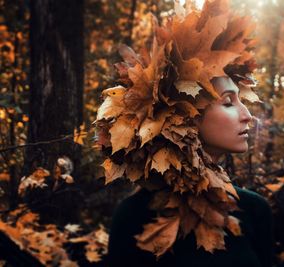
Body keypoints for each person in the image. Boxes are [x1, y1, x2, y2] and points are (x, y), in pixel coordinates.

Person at [95, 1, 274, 266]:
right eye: (227, 102)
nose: (248, 115)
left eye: (242, 101)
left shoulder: (253, 210)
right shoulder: (133, 216)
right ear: (185, 115)